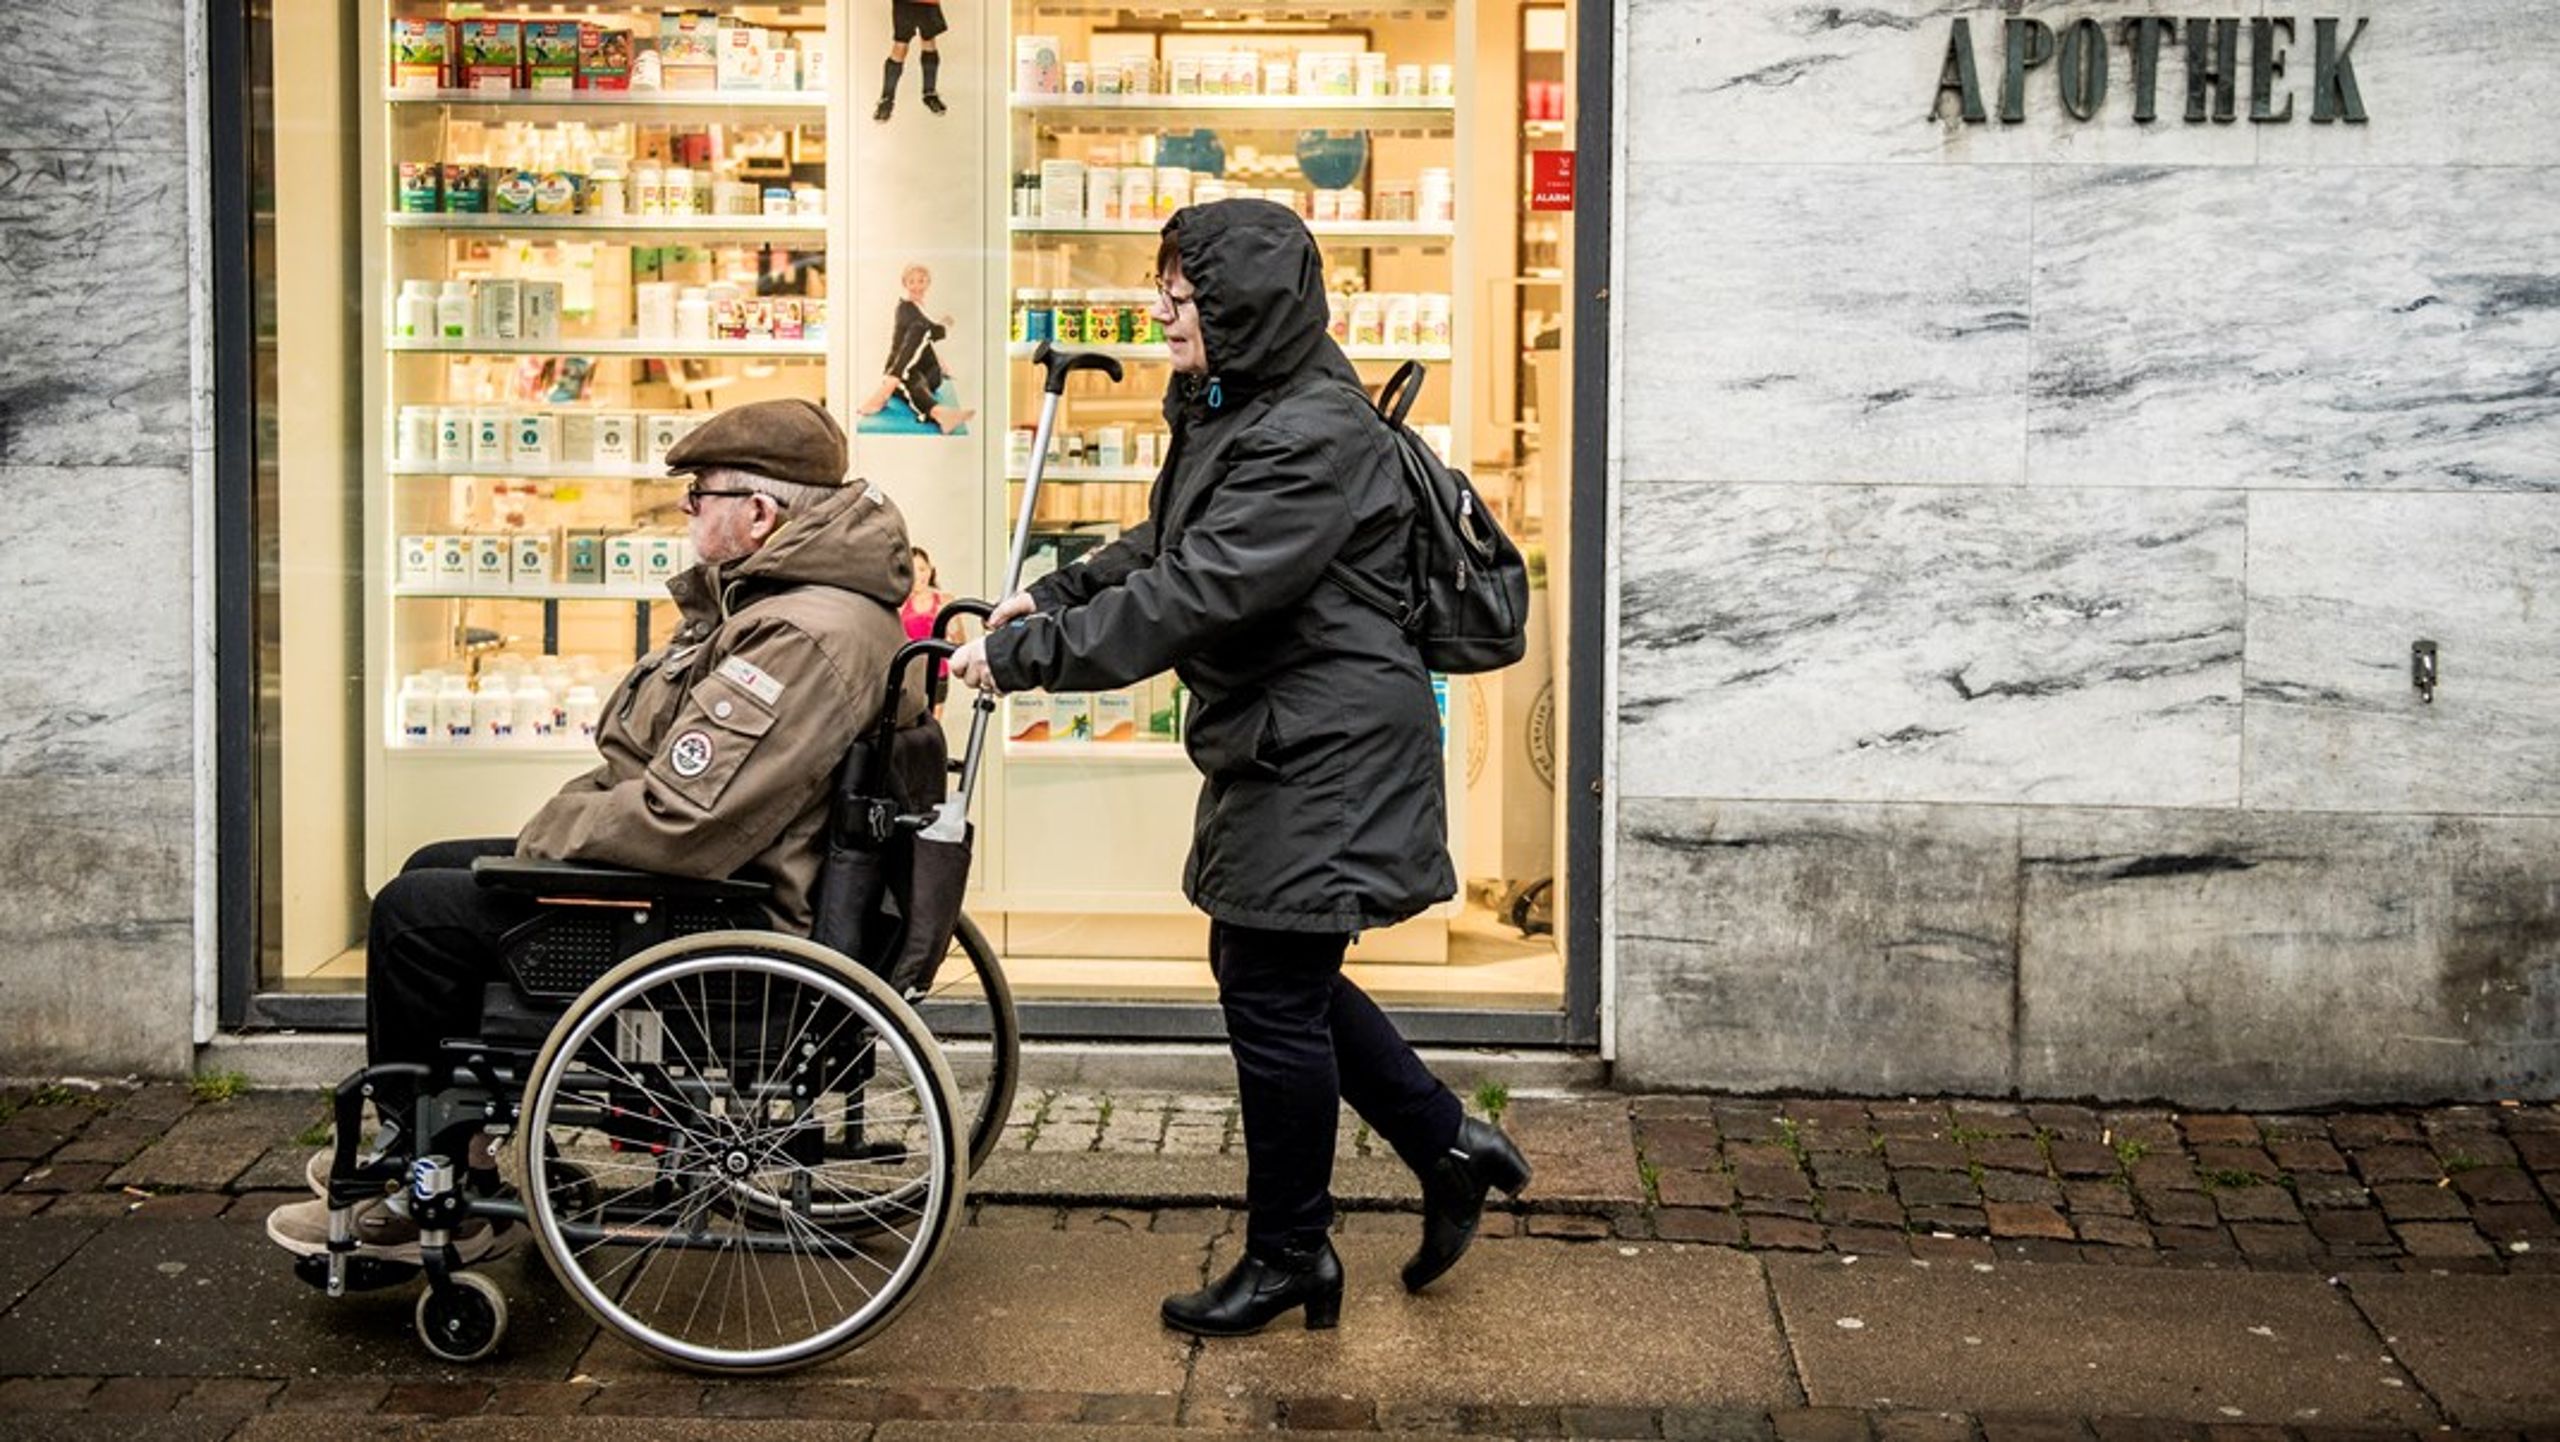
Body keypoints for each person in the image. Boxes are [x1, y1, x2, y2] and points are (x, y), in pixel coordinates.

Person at [949, 198, 1530, 1337]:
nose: (1162, 310)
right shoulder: (1241, 403)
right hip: (1289, 733)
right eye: (1164, 288)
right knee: (1278, 971)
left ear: (1241, 302)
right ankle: (1446, 1144)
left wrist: (1025, 656)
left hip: (1327, 746)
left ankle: (1291, 1253)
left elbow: (1198, 589)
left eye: (1184, 292)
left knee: (1270, 985)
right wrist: (1054, 592)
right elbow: (1165, 541)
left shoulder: (1311, 432)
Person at [268, 398, 917, 1264]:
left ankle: (430, 1179)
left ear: (760, 513)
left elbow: (680, 819)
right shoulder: (812, 610)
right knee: (436, 868)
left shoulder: (798, 635)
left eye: (701, 495)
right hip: (737, 883)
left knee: (415, 915)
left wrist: (553, 828)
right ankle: (449, 1146)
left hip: (715, 916)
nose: (688, 512)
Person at [857, 264, 975, 435]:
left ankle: (889, 386)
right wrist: (943, 325)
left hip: (928, 372)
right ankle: (940, 413)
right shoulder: (905, 308)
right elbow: (932, 333)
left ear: (928, 283)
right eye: (912, 281)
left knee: (922, 331)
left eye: (921, 281)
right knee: (914, 377)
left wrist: (940, 359)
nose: (917, 285)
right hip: (908, 371)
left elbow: (930, 338)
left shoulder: (924, 308)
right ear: (904, 284)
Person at [874, 0, 948, 121]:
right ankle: (886, 99)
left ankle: (930, 94)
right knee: (900, 46)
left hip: (929, 3)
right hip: (904, 3)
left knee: (928, 41)